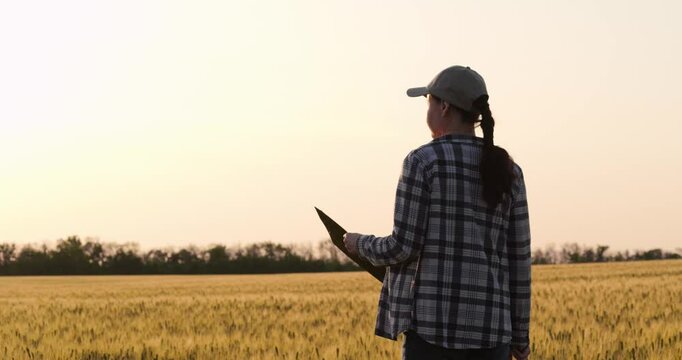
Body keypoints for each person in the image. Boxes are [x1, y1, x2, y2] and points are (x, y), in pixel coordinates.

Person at [343, 65, 531, 360]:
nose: (426, 110)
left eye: (428, 101)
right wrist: (520, 339)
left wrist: (358, 244)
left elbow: (403, 246)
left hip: (433, 332)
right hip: (492, 334)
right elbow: (519, 260)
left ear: (444, 107)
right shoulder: (509, 170)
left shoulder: (422, 162)